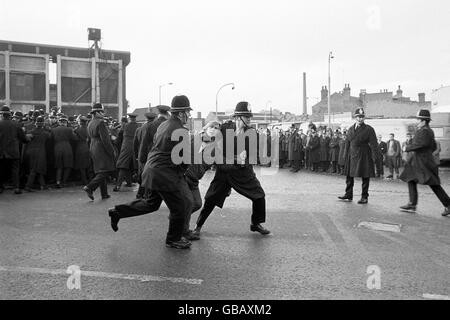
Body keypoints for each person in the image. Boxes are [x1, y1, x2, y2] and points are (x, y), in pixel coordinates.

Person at [107, 95, 194, 249]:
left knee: (150, 204)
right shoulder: (180, 130)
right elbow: (184, 159)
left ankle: (117, 211)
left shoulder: (164, 125)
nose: (189, 115)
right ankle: (173, 239)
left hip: (152, 169)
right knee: (180, 206)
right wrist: (181, 172)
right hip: (164, 174)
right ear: (181, 113)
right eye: (188, 112)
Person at [193, 101, 271, 237]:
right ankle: (197, 227)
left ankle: (255, 223)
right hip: (224, 172)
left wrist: (242, 160)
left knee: (259, 196)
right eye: (246, 117)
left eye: (249, 117)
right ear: (237, 117)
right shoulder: (225, 128)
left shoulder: (252, 133)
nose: (249, 119)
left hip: (242, 173)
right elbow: (208, 137)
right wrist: (207, 132)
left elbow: (252, 157)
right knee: (210, 199)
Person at [399, 110, 450, 217]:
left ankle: (448, 205)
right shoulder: (426, 130)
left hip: (423, 163)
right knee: (410, 179)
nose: (417, 121)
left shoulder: (425, 131)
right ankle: (412, 204)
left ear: (423, 121)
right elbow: (433, 146)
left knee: (434, 184)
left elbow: (421, 144)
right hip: (418, 162)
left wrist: (406, 148)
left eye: (418, 119)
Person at [338, 108, 378, 204]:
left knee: (365, 176)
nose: (360, 119)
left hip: (364, 155)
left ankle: (364, 197)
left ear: (364, 118)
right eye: (358, 117)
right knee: (349, 176)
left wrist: (375, 157)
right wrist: (344, 156)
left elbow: (374, 145)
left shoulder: (369, 129)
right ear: (355, 118)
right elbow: (347, 143)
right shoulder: (351, 129)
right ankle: (348, 194)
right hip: (351, 155)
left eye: (362, 117)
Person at [135, 106, 171, 198]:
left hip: (151, 155)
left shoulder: (150, 125)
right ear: (167, 114)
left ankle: (146, 195)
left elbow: (144, 143)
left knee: (149, 176)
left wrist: (141, 157)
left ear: (158, 114)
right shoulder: (169, 125)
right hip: (166, 157)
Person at [83, 103, 116, 201]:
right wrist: (112, 151)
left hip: (93, 147)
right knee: (106, 170)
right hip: (101, 148)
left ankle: (104, 194)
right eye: (101, 111)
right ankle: (90, 187)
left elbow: (88, 139)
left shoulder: (90, 123)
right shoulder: (101, 123)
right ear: (96, 112)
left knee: (100, 170)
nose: (103, 113)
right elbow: (105, 140)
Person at [0, 106, 31, 194]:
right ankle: (16, 187)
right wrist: (28, 138)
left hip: (1, 151)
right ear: (10, 114)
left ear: (2, 114)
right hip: (13, 151)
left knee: (0, 169)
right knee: (15, 170)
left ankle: (0, 187)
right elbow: (23, 138)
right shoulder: (16, 125)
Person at [133, 111, 157, 199]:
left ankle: (141, 194)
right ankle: (145, 195)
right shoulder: (152, 128)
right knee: (147, 176)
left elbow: (135, 143)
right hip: (148, 154)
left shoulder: (140, 128)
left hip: (140, 154)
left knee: (143, 174)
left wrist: (136, 155)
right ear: (154, 119)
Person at [23, 116, 51, 191]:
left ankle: (43, 185)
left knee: (38, 169)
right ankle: (28, 186)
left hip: (30, 152)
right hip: (40, 152)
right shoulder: (45, 133)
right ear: (43, 124)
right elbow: (49, 136)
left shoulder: (31, 132)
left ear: (36, 123)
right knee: (34, 169)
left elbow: (27, 139)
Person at [114, 113, 139, 191]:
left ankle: (118, 185)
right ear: (135, 118)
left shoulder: (125, 126)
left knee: (123, 165)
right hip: (135, 147)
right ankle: (129, 182)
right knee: (129, 165)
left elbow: (118, 134)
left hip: (126, 147)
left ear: (130, 118)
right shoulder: (138, 126)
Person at [51, 115, 77, 188]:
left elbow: (50, 139)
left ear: (59, 122)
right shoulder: (69, 129)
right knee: (67, 166)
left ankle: (58, 181)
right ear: (65, 122)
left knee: (59, 166)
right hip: (67, 148)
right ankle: (64, 181)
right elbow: (75, 138)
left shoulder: (54, 130)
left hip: (57, 148)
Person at [73, 116, 91, 186]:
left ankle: (84, 181)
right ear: (86, 122)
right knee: (88, 165)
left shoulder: (77, 130)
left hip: (79, 148)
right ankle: (89, 179)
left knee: (81, 166)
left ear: (80, 122)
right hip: (87, 147)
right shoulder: (88, 129)